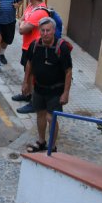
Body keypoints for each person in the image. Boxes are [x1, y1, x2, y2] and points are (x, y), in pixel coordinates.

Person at [23, 17, 72, 153]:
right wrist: (26, 82)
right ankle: (41, 141)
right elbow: (29, 64)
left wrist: (66, 93)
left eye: (48, 31)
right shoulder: (35, 45)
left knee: (51, 117)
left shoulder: (61, 47)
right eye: (43, 30)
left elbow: (68, 71)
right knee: (40, 115)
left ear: (54, 31)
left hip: (55, 90)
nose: (45, 33)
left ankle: (52, 146)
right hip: (39, 87)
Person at [12, 0, 50, 114]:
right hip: (26, 46)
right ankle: (26, 94)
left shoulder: (39, 12)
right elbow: (21, 19)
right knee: (27, 71)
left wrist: (22, 23)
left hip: (35, 48)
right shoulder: (30, 7)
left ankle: (34, 102)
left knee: (33, 75)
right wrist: (23, 22)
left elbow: (22, 29)